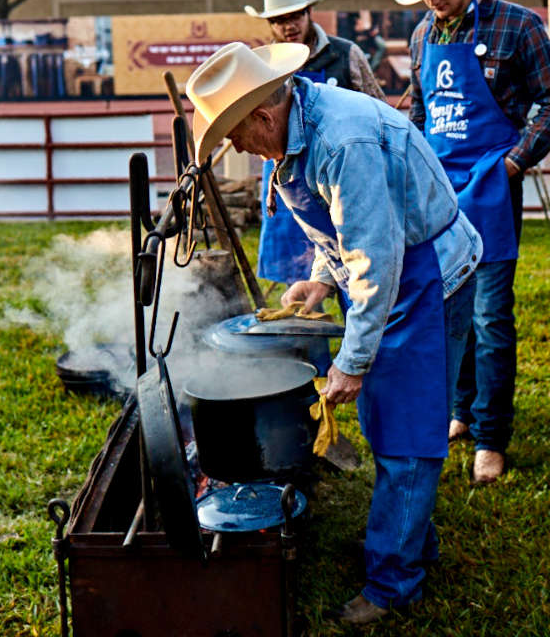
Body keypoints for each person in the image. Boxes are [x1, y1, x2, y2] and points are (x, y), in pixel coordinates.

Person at [187, 41, 481, 625]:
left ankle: (394, 586)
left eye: (237, 134)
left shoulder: (343, 140)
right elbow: (343, 229)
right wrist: (321, 280)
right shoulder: (295, 126)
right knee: (384, 420)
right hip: (388, 274)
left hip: (423, 277)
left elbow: (376, 254)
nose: (238, 147)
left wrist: (351, 360)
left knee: (407, 437)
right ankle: (411, 541)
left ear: (264, 116)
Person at [391, 0, 550, 485]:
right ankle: (461, 412)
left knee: (491, 317)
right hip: (439, 195)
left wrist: (516, 160)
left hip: (492, 187)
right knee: (451, 311)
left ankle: (491, 438)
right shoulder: (422, 37)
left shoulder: (517, 25)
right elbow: (422, 113)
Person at [245, 0, 387, 286]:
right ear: (270, 25)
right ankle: (306, 335)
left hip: (341, 176)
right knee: (298, 284)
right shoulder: (264, 66)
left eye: (295, 16)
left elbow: (377, 110)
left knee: (355, 268)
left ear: (310, 13)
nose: (288, 26)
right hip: (289, 183)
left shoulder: (345, 54)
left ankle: (358, 329)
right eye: (279, 20)